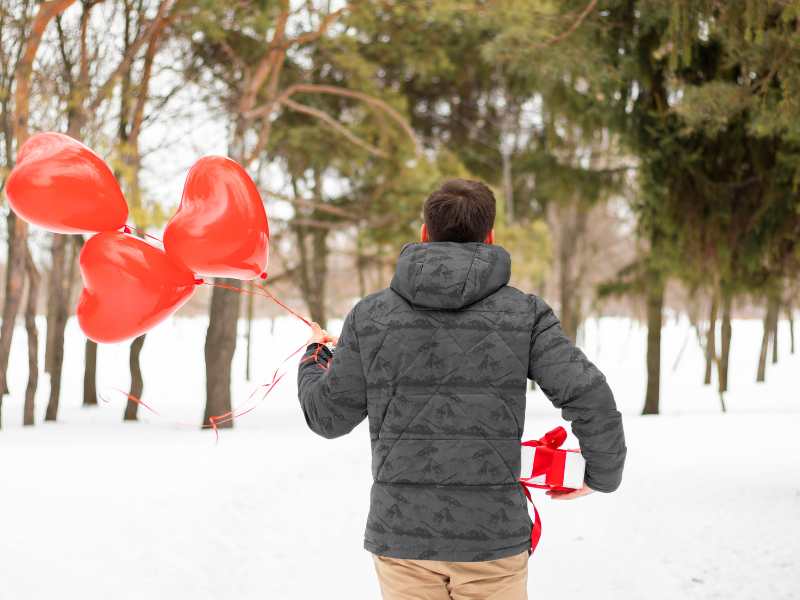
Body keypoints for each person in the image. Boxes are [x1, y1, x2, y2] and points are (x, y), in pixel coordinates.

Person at [297, 179, 626, 600]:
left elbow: (327, 417)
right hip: (491, 543)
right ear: (489, 237)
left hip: (403, 540)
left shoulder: (370, 316)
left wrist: (314, 358)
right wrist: (601, 474)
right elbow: (589, 393)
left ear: (423, 233)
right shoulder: (524, 314)